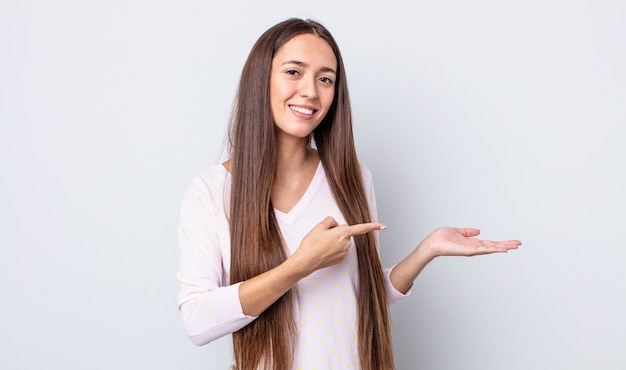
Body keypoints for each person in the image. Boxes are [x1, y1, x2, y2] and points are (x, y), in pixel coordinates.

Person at [177, 18, 521, 370]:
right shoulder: (210, 191)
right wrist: (300, 265)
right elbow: (197, 321)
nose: (311, 91)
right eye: (294, 72)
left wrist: (426, 250)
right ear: (260, 78)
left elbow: (359, 299)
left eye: (325, 79)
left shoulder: (353, 178)